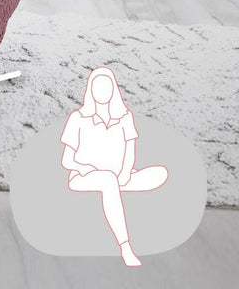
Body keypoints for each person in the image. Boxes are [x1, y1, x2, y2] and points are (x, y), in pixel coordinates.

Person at [60, 65, 168, 267]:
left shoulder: (125, 118)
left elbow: (130, 150)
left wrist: (125, 172)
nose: (102, 91)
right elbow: (67, 160)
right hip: (85, 175)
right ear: (90, 89)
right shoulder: (79, 118)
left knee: (160, 173)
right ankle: (125, 246)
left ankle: (115, 187)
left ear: (113, 89)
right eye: (97, 87)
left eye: (106, 87)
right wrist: (86, 168)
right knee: (107, 180)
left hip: (118, 175)